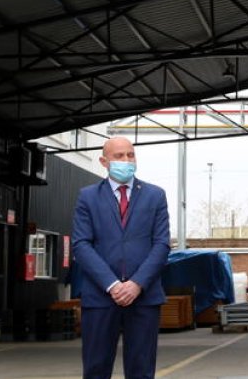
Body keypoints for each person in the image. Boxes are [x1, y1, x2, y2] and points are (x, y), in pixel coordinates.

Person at [72, 136, 171, 379]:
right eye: (119, 156)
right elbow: (81, 244)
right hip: (100, 297)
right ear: (104, 161)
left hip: (144, 297)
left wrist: (136, 284)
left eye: (130, 155)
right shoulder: (88, 197)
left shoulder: (155, 195)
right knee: (96, 369)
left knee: (142, 370)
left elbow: (161, 244)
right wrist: (113, 285)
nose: (126, 161)